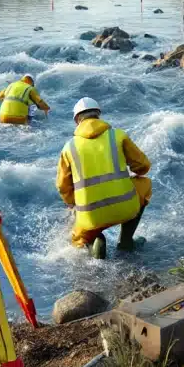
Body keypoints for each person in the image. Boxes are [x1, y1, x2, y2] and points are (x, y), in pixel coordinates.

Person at [56, 98, 151, 259]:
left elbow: (63, 187)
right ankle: (126, 241)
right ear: (98, 115)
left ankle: (95, 241)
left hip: (90, 216)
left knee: (79, 236)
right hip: (125, 208)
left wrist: (74, 203)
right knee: (145, 184)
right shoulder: (118, 136)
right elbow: (143, 166)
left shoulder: (68, 148)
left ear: (77, 120)